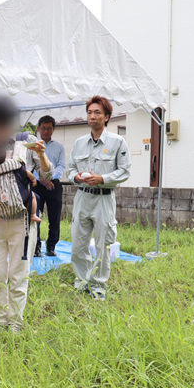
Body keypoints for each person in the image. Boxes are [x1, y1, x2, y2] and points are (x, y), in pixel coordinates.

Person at [0, 97, 45, 331]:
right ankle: (1, 321)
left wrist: (41, 159)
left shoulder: (25, 141)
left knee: (18, 274)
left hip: (22, 219)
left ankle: (15, 323)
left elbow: (47, 174)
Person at [67, 96, 131, 301]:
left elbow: (124, 171)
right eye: (89, 112)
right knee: (78, 243)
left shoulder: (117, 142)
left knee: (103, 245)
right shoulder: (78, 143)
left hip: (104, 199)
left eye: (97, 113)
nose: (92, 116)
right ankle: (82, 281)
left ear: (106, 117)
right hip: (82, 197)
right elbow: (70, 170)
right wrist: (74, 177)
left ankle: (98, 286)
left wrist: (102, 178)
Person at [33, 115, 66, 257]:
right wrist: (42, 180)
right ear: (39, 128)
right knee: (35, 216)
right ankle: (36, 247)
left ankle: (51, 246)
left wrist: (50, 178)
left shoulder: (59, 147)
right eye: (43, 128)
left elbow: (61, 166)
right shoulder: (33, 146)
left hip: (54, 185)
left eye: (49, 128)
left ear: (53, 129)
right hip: (37, 184)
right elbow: (31, 166)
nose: (46, 131)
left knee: (54, 217)